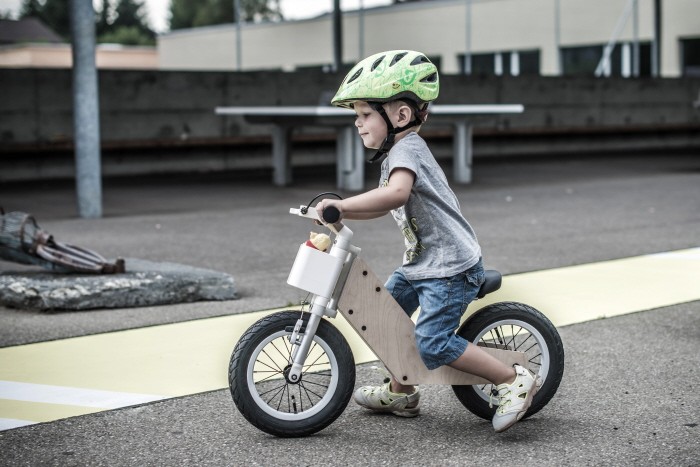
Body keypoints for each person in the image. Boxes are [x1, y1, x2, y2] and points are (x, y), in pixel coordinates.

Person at [315, 50, 539, 433]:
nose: (357, 122)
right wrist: (342, 213)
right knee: (384, 317)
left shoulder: (407, 149)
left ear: (400, 116)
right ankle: (402, 391)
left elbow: (395, 195)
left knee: (432, 343)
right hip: (423, 264)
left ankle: (512, 379)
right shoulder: (396, 153)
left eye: (365, 113)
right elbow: (383, 204)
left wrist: (343, 205)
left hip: (450, 270)